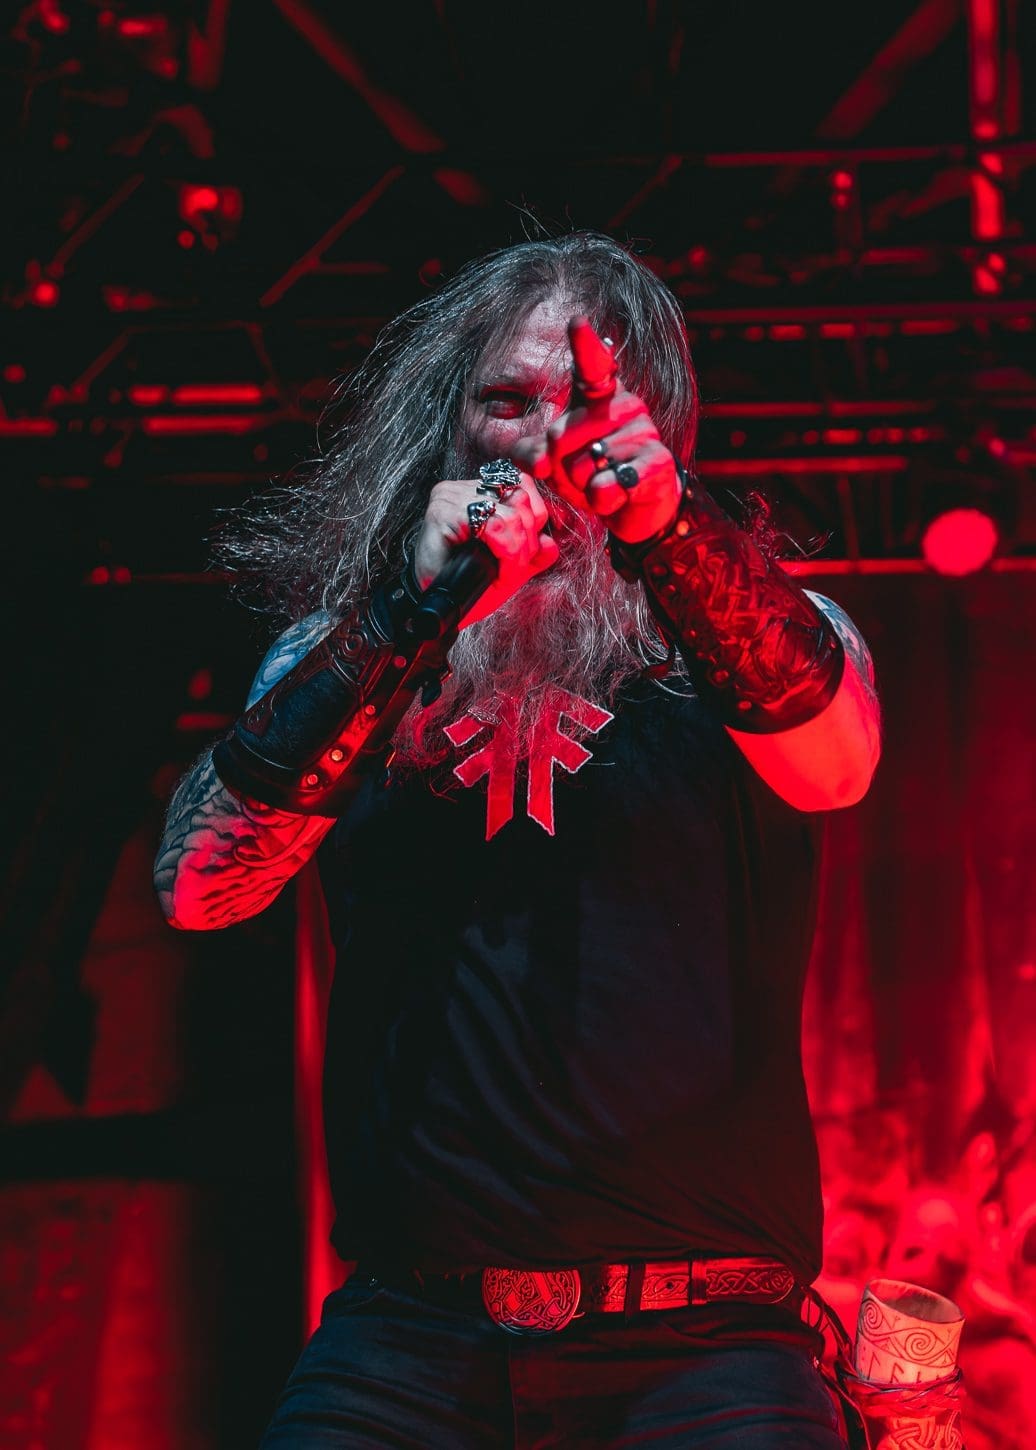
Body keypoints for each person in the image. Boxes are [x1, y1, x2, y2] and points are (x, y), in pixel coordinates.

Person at [154, 232, 881, 1447]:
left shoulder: (772, 634)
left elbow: (838, 763)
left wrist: (668, 528)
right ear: (450, 427)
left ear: (655, 430)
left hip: (704, 1343)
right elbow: (199, 890)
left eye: (583, 405)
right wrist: (407, 617)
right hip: (410, 1337)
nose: (543, 439)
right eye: (506, 399)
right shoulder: (342, 654)